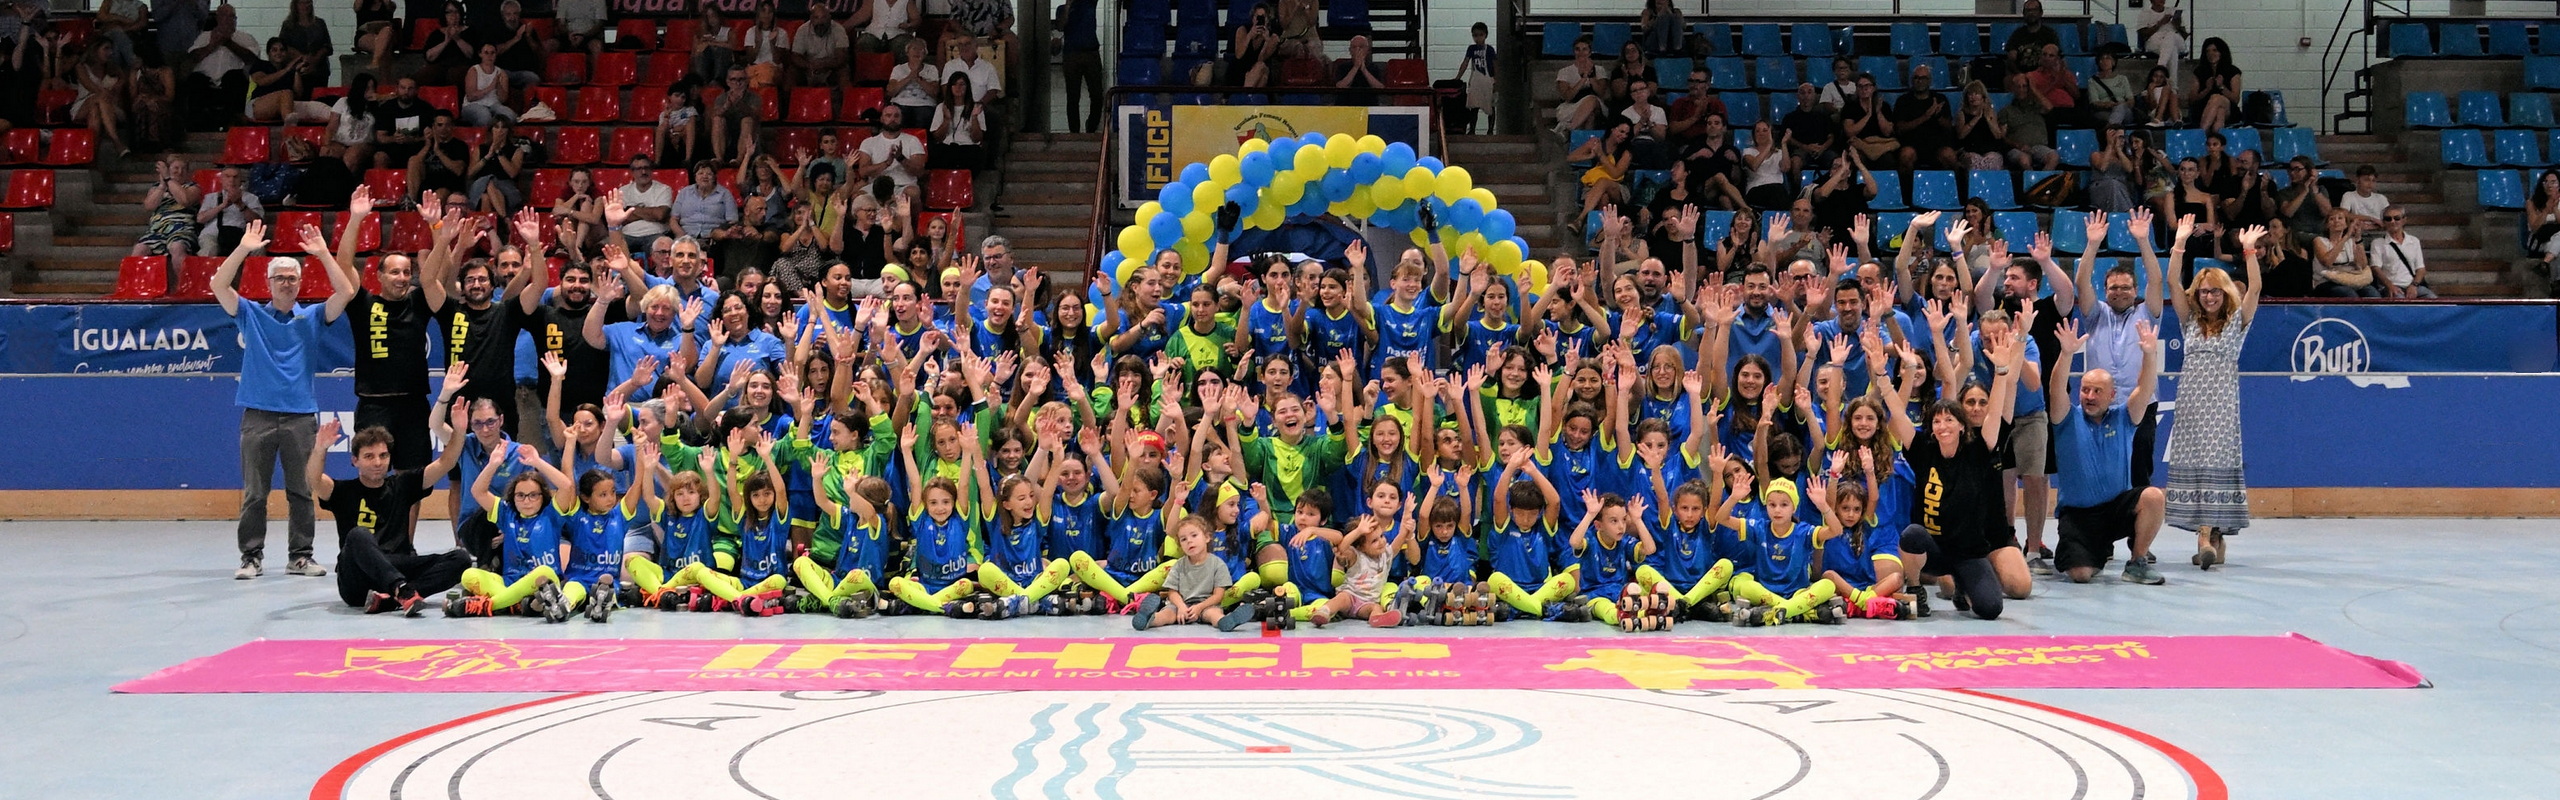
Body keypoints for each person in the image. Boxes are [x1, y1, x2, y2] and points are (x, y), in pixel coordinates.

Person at [216, 220, 358, 580]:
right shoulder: (250, 314)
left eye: (292, 278)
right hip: (258, 416)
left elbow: (346, 291)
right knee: (255, 493)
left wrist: (322, 253)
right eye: (279, 277)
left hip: (300, 417)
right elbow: (218, 284)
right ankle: (251, 557)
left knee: (302, 490)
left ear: (300, 283)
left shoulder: (313, 317)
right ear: (268, 283)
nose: (286, 283)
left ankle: (301, 556)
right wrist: (244, 248)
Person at [1891, 316, 2035, 620]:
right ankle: (1919, 587)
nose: (1943, 426)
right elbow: (1899, 412)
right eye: (1937, 421)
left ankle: (1967, 582)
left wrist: (2002, 369)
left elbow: (1999, 404)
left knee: (1991, 608)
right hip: (1938, 546)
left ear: (1961, 426)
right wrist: (1883, 374)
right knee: (1913, 535)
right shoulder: (1924, 449)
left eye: (1949, 420)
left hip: (1975, 546)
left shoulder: (1981, 447)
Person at [2163, 218, 2261, 569]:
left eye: (2215, 291)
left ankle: (2206, 535)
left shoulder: (2237, 323)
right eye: (2204, 291)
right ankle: (2211, 536)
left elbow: (2255, 289)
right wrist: (2179, 244)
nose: (2209, 296)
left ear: (2225, 294)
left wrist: (2249, 251)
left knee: (2216, 463)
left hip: (2221, 407)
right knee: (2196, 465)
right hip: (2191, 405)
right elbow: (2171, 282)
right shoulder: (2189, 321)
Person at [310, 409, 474, 614]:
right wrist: (320, 448)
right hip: (358, 580)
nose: (378, 462)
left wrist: (459, 431)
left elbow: (446, 462)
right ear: (355, 461)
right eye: (369, 456)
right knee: (358, 534)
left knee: (461, 559)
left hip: (397, 565)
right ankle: (402, 590)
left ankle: (393, 600)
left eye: (383, 455)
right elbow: (314, 479)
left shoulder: (402, 485)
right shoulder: (342, 491)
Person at [2045, 315, 2168, 586]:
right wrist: (2066, 354)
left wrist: (2149, 355)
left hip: (2115, 511)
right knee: (2081, 575)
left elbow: (2144, 388)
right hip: (2078, 516)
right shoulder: (2066, 418)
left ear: (2112, 395)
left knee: (2153, 496)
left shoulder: (2125, 417)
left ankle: (2137, 562)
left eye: (2097, 391)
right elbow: (2055, 389)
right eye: (2085, 390)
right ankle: (2093, 552)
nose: (2089, 396)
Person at [2076, 207, 2170, 488]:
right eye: (2113, 288)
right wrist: (2092, 244)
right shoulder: (2095, 315)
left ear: (2135, 290)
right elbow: (2081, 282)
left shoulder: (2147, 313)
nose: (2119, 292)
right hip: (2100, 407)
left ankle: (2137, 518)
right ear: (2105, 291)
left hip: (2140, 405)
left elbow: (2157, 280)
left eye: (2126, 287)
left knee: (2139, 473)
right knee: (2100, 475)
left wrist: (2143, 241)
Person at [183, 4, 259, 130]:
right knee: (195, 79)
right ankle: (198, 127)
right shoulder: (205, 36)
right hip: (206, 81)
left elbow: (252, 59)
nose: (228, 20)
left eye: (231, 16)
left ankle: (233, 123)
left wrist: (228, 42)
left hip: (232, 81)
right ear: (217, 18)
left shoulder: (245, 38)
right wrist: (212, 45)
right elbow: (192, 58)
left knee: (234, 77)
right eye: (224, 16)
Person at [133, 157, 202, 291]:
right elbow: (149, 206)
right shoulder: (156, 188)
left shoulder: (193, 187)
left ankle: (183, 288)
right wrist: (162, 186)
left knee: (177, 247)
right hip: (157, 230)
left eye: (183, 169)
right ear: (168, 170)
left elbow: (185, 200)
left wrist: (169, 180)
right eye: (176, 168)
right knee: (139, 249)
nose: (180, 171)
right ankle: (139, 289)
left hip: (182, 228)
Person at [2368, 206, 2436, 299]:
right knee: (2400, 300)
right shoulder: (2378, 243)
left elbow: (2420, 268)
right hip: (2391, 286)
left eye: (2397, 218)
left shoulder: (2414, 241)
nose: (2392, 221)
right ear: (2384, 222)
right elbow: (2376, 268)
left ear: (2404, 220)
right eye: (2388, 219)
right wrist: (2389, 285)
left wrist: (2414, 285)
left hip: (2412, 285)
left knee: (2433, 299)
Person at [197, 166, 266, 257]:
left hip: (242, 234)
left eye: (235, 177)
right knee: (209, 249)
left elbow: (258, 222)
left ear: (240, 180)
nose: (231, 180)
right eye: (227, 176)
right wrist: (222, 206)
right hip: (213, 234)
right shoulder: (211, 197)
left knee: (258, 249)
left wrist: (241, 204)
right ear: (221, 179)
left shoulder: (251, 198)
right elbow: (200, 219)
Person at [371, 77, 437, 171]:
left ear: (416, 91)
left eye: (410, 88)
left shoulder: (425, 108)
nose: (406, 92)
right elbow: (380, 137)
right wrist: (394, 138)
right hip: (393, 148)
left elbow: (432, 135)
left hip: (418, 148)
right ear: (397, 89)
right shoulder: (386, 108)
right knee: (379, 157)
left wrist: (414, 139)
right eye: (403, 88)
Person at [2313, 207, 2379, 298]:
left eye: (2340, 218)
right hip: (2327, 282)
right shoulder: (2319, 241)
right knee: (2348, 294)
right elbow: (2327, 262)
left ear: (2346, 224)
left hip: (2350, 279)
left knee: (2372, 293)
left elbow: (2362, 265)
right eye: (2332, 219)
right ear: (2327, 225)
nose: (2336, 221)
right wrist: (2347, 236)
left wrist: (2358, 238)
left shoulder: (2351, 242)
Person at [466, 117, 527, 215]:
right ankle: (504, 218)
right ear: (491, 130)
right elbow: (470, 173)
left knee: (487, 196)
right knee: (488, 184)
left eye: (503, 127)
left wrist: (498, 152)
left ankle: (493, 223)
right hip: (479, 187)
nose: (500, 131)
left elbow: (512, 173)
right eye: (496, 127)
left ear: (508, 131)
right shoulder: (480, 149)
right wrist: (488, 156)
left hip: (506, 187)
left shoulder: (516, 151)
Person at [672, 160, 741, 243]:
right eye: (700, 173)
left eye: (709, 174)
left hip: (714, 239)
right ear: (695, 177)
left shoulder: (725, 194)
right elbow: (673, 219)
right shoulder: (685, 192)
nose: (705, 176)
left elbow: (732, 221)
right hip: (686, 236)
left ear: (714, 177)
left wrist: (721, 234)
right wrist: (681, 235)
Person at [617, 155, 675, 254]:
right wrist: (651, 212)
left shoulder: (664, 189)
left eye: (646, 168)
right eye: (639, 169)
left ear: (651, 170)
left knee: (664, 249)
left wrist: (632, 209)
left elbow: (660, 215)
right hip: (627, 235)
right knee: (606, 248)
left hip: (655, 234)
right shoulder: (623, 191)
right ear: (632, 172)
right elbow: (622, 219)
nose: (643, 172)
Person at [707, 67, 762, 165]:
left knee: (747, 120)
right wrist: (726, 106)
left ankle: (739, 159)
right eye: (733, 79)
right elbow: (714, 114)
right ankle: (719, 158)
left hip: (748, 133)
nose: (738, 83)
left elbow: (755, 115)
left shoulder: (754, 97)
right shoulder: (721, 98)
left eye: (741, 79)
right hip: (726, 134)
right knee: (718, 119)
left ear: (746, 81)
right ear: (728, 82)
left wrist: (740, 103)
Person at [1552, 35, 1606, 133]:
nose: (1581, 53)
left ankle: (1569, 129)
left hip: (1597, 104)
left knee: (1592, 99)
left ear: (1590, 52)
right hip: (1571, 106)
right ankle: (1583, 139)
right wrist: (1583, 78)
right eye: (1577, 49)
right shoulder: (1564, 71)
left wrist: (1591, 75)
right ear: (1574, 52)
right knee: (1590, 116)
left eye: (1584, 49)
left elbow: (1601, 93)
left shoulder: (1599, 70)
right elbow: (1568, 97)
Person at [790, 2, 850, 88]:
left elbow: (841, 57)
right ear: (811, 19)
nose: (820, 22)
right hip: (808, 68)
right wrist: (809, 65)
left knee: (844, 72)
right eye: (816, 18)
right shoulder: (802, 30)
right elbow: (795, 56)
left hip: (831, 69)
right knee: (791, 73)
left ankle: (847, 96)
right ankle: (787, 96)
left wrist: (824, 64)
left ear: (830, 18)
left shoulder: (839, 29)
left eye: (824, 17)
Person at [2192, 37, 2242, 133]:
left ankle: (2200, 133)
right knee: (2219, 112)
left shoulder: (2233, 71)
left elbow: (2235, 99)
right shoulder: (2199, 71)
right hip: (2203, 107)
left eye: (2215, 50)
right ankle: (2215, 138)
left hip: (2229, 108)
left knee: (2216, 98)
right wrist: (2207, 89)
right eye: (2208, 51)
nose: (2211, 54)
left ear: (2222, 52)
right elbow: (2192, 99)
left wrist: (2221, 86)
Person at [457, 43, 513, 127]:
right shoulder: (474, 70)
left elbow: (503, 99)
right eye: (486, 53)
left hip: (494, 104)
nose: (489, 56)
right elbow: (470, 97)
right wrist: (490, 88)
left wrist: (498, 85)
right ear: (480, 54)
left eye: (492, 53)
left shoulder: (501, 73)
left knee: (510, 116)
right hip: (474, 105)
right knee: (485, 117)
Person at [2137, 0, 2189, 89]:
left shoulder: (2172, 11)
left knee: (2171, 35)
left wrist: (2177, 26)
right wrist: (2160, 23)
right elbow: (2143, 35)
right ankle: (2173, 87)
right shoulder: (2145, 14)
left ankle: (2160, 68)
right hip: (2155, 42)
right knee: (2172, 50)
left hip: (2176, 39)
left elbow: (2184, 36)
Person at [851, 0, 919, 53]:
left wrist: (908, 25)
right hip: (874, 32)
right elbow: (862, 14)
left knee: (902, 44)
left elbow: (916, 19)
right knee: (864, 41)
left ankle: (899, 67)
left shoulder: (908, 1)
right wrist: (845, 26)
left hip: (898, 33)